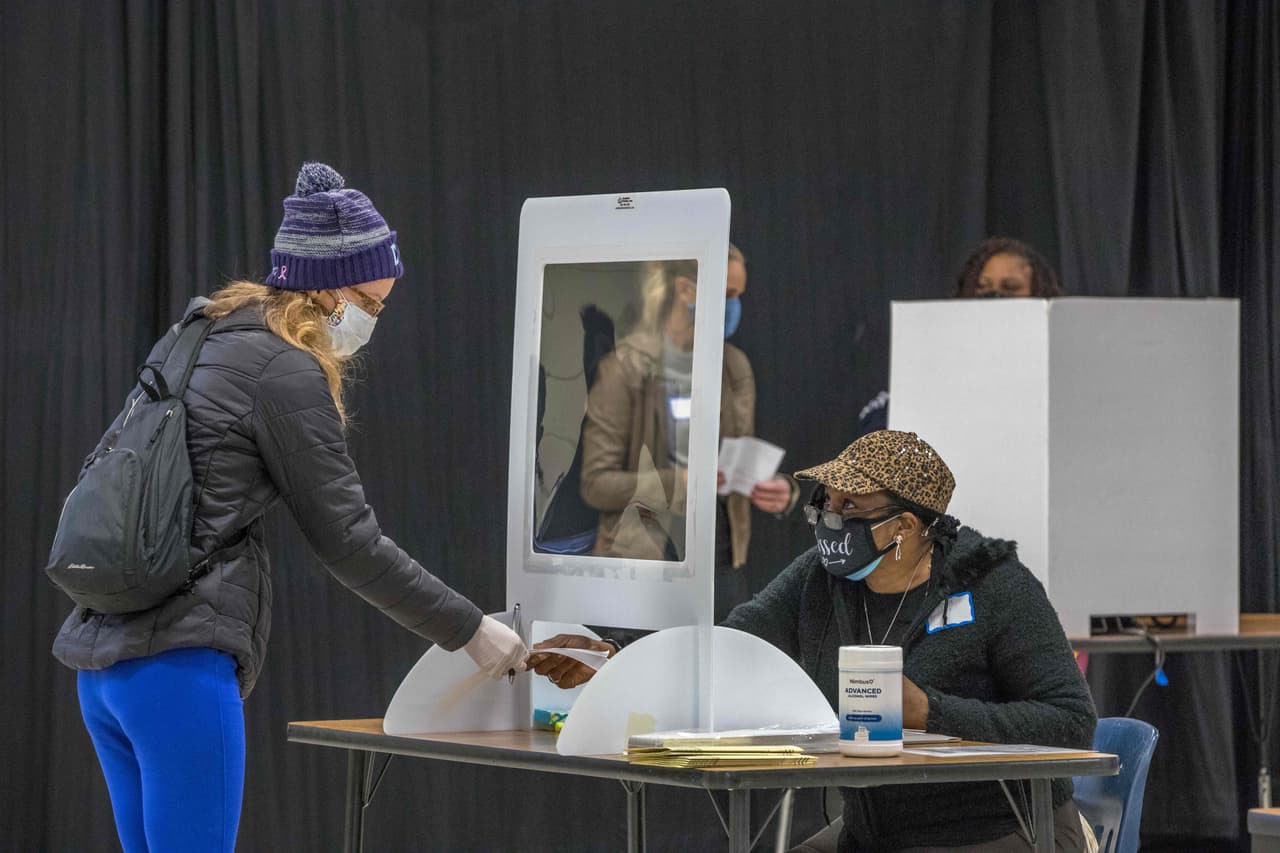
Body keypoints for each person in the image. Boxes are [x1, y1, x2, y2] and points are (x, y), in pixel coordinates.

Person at [51, 162, 527, 853]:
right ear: (327, 289)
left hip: (104, 669)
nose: (372, 320)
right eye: (370, 302)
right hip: (178, 671)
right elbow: (350, 542)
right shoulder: (284, 369)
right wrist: (470, 629)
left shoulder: (200, 333)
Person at [530, 429, 1097, 852]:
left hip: (1001, 830)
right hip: (873, 833)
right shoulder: (821, 577)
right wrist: (616, 657)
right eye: (825, 501)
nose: (830, 518)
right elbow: (731, 643)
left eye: (850, 506)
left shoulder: (994, 585)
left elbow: (1072, 722)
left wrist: (930, 711)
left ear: (905, 526)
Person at [579, 245, 798, 618]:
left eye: (739, 296)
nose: (735, 307)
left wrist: (777, 489)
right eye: (728, 295)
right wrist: (679, 483)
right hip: (643, 561)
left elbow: (734, 461)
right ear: (685, 290)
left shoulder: (734, 366)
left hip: (721, 560)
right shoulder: (624, 369)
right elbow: (596, 484)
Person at [858, 236, 1063, 434]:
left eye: (1010, 288)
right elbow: (876, 427)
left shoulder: (1058, 367)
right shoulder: (939, 361)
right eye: (982, 288)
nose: (995, 296)